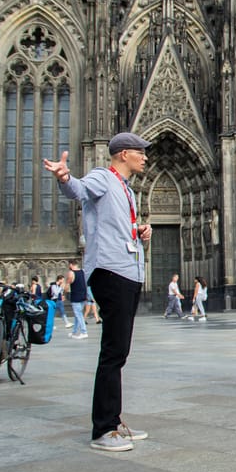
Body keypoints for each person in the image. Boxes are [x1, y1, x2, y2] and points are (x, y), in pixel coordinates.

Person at [43, 131, 153, 452]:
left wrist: (138, 230)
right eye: (139, 152)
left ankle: (113, 421)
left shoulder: (126, 190)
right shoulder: (104, 178)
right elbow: (78, 189)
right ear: (122, 154)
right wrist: (64, 178)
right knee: (113, 352)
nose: (144, 157)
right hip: (111, 270)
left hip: (128, 269)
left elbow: (114, 226)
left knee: (119, 352)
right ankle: (103, 429)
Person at [67, 259, 88, 339]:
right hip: (83, 295)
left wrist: (63, 292)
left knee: (78, 315)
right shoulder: (83, 271)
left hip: (75, 296)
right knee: (77, 315)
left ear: (71, 264)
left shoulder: (71, 273)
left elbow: (68, 284)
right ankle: (74, 332)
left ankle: (84, 332)